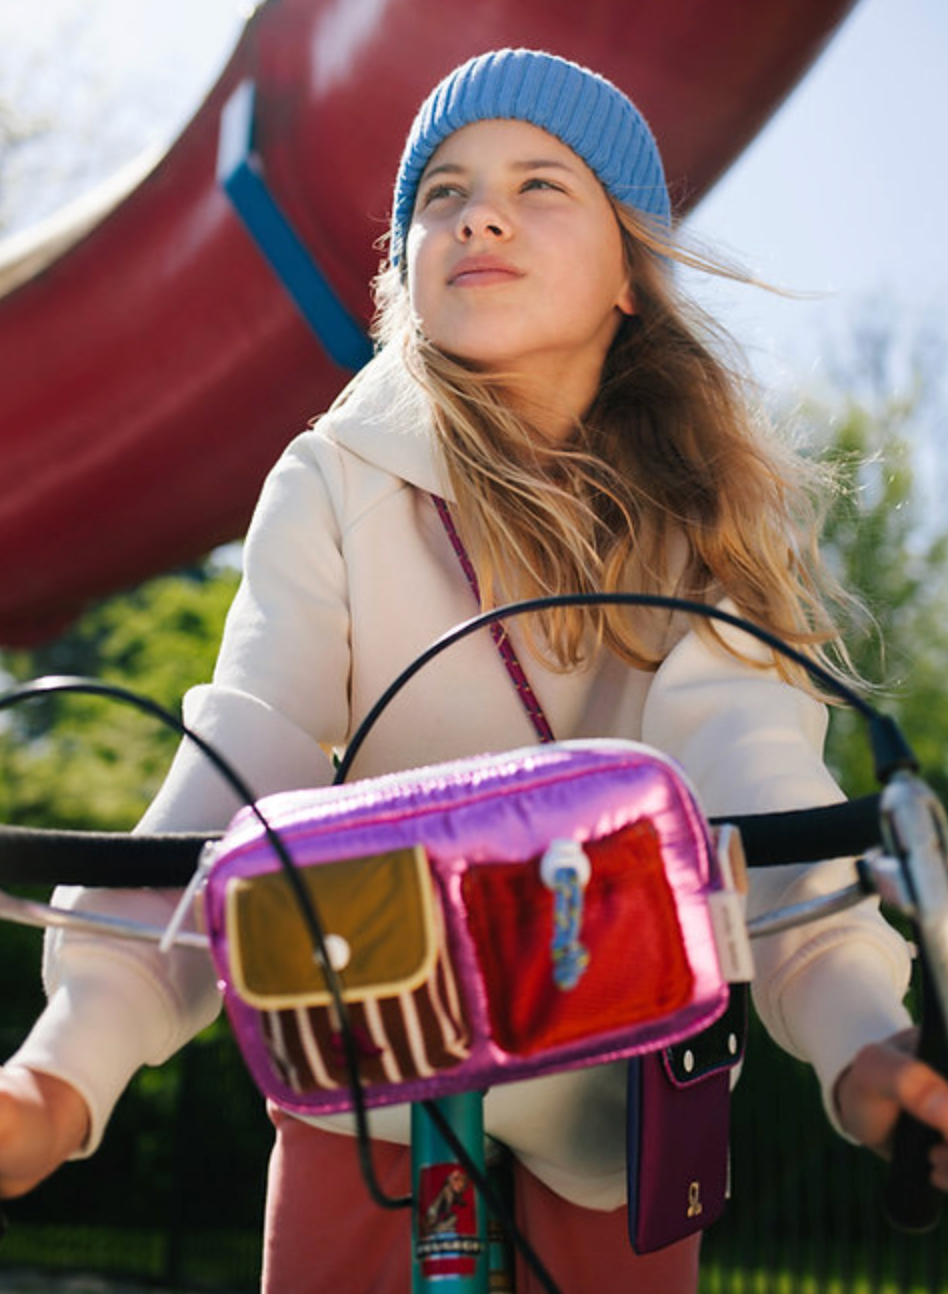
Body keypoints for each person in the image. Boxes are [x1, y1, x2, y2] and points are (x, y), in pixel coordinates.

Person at [1, 46, 947, 1294]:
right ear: (405, 273)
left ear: (632, 276)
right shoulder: (333, 479)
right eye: (440, 192)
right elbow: (237, 771)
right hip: (369, 1057)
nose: (478, 211)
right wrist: (60, 1072)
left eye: (541, 184)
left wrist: (867, 1047)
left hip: (620, 1075)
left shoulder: (711, 510)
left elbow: (756, 790)